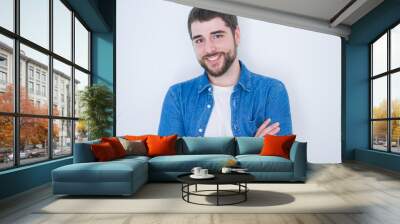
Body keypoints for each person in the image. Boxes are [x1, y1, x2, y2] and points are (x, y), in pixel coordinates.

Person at [158, 8, 292, 137]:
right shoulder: (177, 96)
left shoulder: (271, 92)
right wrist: (255, 148)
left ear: (237, 35)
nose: (209, 49)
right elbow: (168, 160)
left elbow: (278, 160)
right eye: (199, 40)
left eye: (217, 36)